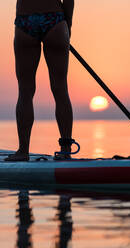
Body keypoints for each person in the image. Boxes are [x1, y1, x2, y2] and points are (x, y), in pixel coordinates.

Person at [5, 0, 77, 161]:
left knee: (25, 91)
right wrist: (67, 27)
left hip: (25, 20)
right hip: (55, 20)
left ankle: (23, 151)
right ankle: (65, 150)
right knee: (60, 89)